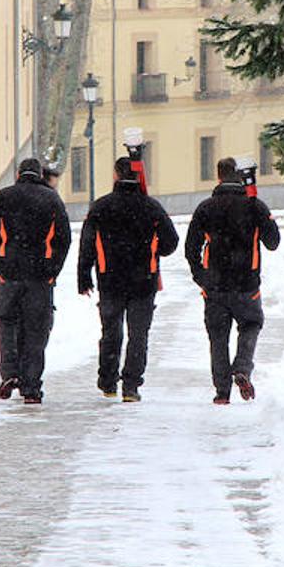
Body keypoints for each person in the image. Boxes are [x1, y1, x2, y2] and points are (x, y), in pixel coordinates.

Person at [77, 158, 178, 402]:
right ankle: (131, 385)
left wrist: (84, 275)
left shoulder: (100, 207)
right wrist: (153, 250)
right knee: (138, 334)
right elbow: (171, 242)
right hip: (144, 281)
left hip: (110, 279)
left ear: (115, 175)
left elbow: (87, 244)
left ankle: (108, 381)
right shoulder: (151, 207)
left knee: (111, 331)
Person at [184, 156, 280, 404]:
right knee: (251, 325)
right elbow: (273, 243)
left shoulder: (205, 208)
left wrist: (201, 277)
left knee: (218, 337)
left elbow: (190, 247)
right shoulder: (254, 206)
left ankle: (222, 392)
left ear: (218, 176)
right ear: (240, 176)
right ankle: (242, 368)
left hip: (214, 285)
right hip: (247, 284)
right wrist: (259, 210)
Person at [0, 158, 71, 404]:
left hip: (9, 275)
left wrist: (0, 266)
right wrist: (52, 270)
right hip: (40, 278)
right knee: (36, 329)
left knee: (7, 323)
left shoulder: (3, 197)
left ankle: (10, 372)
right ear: (40, 174)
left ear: (18, 174)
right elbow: (63, 239)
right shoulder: (51, 199)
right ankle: (31, 386)